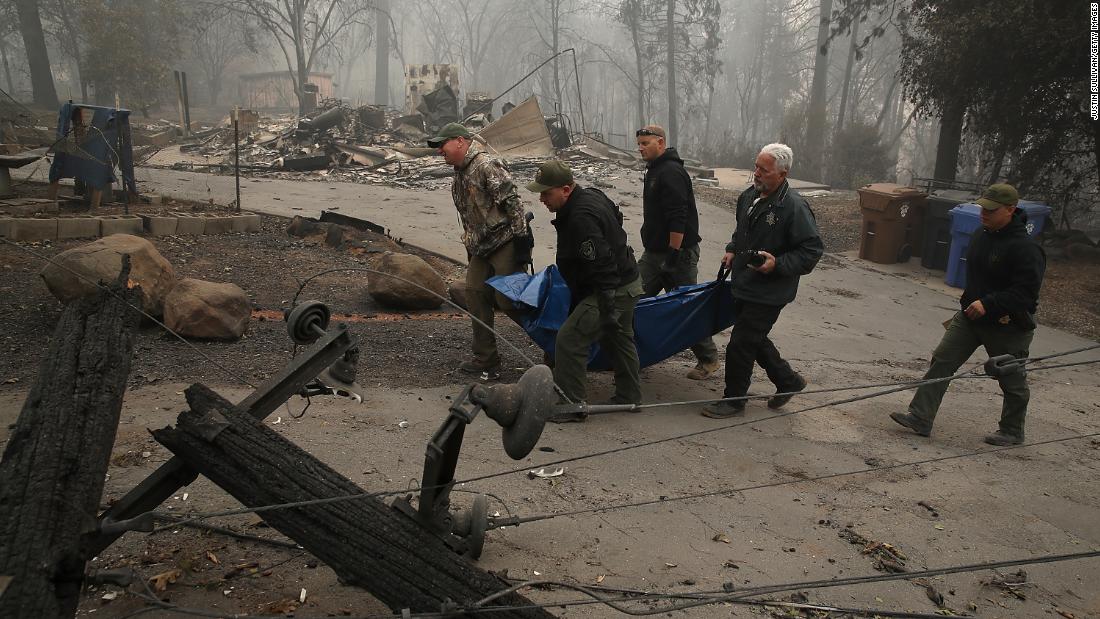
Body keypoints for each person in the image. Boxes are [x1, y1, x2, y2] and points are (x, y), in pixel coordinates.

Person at [890, 183, 1045, 446]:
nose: (984, 213)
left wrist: (990, 303)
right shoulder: (980, 234)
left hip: (1008, 324)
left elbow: (1026, 294)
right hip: (971, 316)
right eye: (983, 208)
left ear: (1010, 210)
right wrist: (971, 302)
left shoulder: (1026, 249)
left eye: (991, 210)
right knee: (943, 359)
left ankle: (1011, 430)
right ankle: (920, 416)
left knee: (1011, 378)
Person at [703, 143, 823, 418]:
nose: (756, 173)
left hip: (771, 291)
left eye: (763, 170)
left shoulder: (793, 206)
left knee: (741, 343)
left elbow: (811, 250)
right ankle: (788, 380)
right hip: (744, 283)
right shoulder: (748, 196)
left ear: (782, 174)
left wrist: (777, 264)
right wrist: (733, 249)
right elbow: (741, 231)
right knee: (754, 338)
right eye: (756, 166)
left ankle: (734, 400)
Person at [526, 160, 643, 421]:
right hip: (628, 281)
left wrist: (608, 305)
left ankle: (571, 405)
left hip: (611, 289)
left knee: (569, 339)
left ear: (566, 189)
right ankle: (630, 396)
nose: (542, 199)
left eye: (546, 193)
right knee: (619, 338)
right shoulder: (591, 195)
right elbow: (616, 219)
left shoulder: (580, 217)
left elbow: (600, 261)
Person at [428, 122, 533, 379]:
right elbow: (470, 215)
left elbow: (512, 202)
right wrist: (470, 246)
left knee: (511, 300)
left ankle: (554, 345)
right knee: (475, 294)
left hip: (505, 241)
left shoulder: (487, 165)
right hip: (481, 246)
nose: (440, 150)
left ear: (460, 141)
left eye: (443, 144)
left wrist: (521, 241)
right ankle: (486, 358)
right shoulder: (460, 172)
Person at [635, 124, 721, 380]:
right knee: (632, 298)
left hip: (678, 254)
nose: (641, 148)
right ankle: (634, 354)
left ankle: (708, 359)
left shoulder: (671, 172)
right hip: (654, 253)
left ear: (660, 143)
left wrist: (673, 254)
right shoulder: (655, 170)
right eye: (638, 144)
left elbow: (678, 216)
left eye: (646, 143)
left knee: (687, 307)